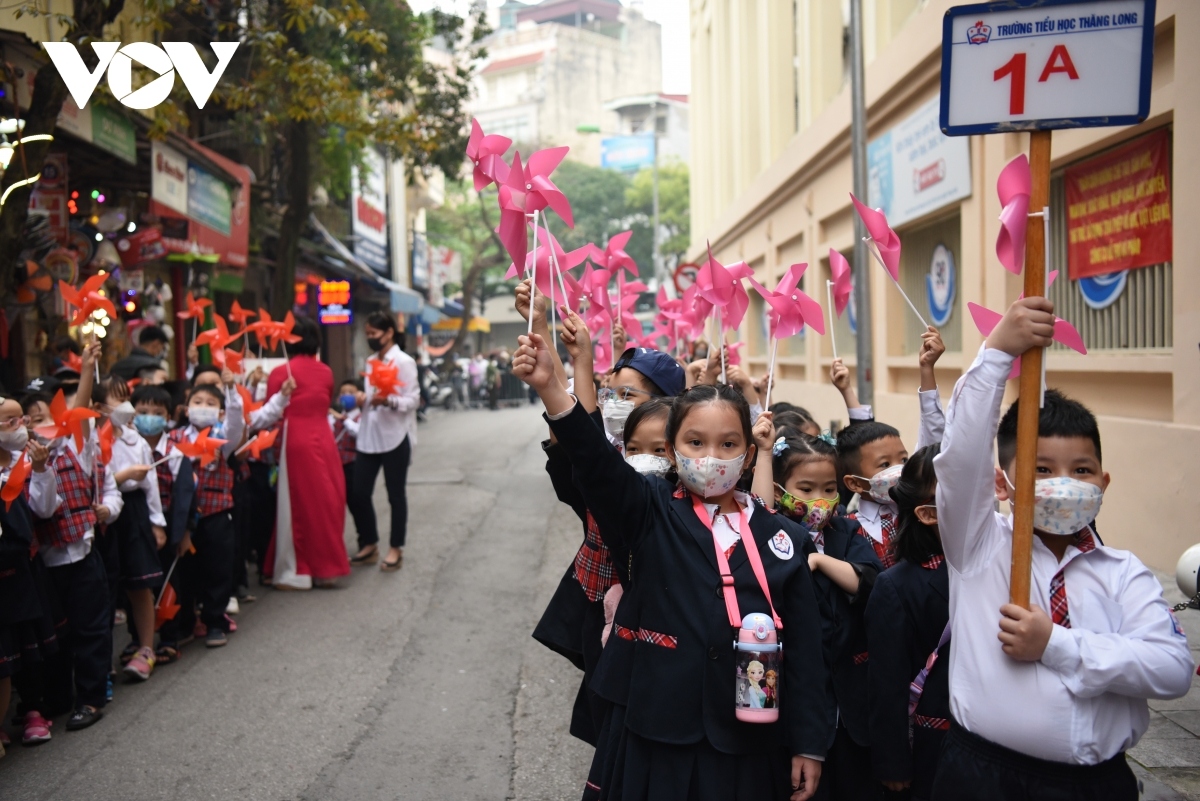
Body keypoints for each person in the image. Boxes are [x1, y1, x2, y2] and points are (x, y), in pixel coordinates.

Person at [515, 331, 832, 801]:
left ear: (748, 453)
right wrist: (551, 390)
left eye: (728, 445)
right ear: (673, 447)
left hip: (748, 743)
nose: (711, 457)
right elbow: (595, 463)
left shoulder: (783, 538)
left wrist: (810, 744)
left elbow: (806, 650)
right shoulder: (648, 510)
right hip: (657, 732)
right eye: (695, 441)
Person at [930, 297, 1193, 800]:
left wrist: (1055, 644)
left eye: (1081, 470)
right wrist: (996, 356)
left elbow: (1171, 669)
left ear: (1103, 481)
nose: (1064, 484)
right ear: (1002, 483)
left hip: (1094, 784)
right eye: (1042, 470)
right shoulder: (978, 546)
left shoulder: (1124, 573)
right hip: (984, 778)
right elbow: (959, 458)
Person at [754, 430, 882, 801]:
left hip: (851, 710)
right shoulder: (774, 537)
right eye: (806, 489)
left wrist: (823, 562)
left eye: (829, 489)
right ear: (780, 491)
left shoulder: (847, 530)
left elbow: (872, 582)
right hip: (795, 704)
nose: (820, 500)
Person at [21, 344, 124, 731]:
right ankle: (59, 699)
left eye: (42, 414)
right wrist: (39, 469)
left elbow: (80, 408)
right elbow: (41, 511)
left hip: (82, 557)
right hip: (45, 562)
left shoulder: (76, 447)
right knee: (57, 637)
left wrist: (88, 369)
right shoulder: (20, 463)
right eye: (27, 419)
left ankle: (92, 697)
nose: (35, 422)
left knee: (91, 630)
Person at [865, 445, 949, 801]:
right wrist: (893, 761)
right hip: (932, 744)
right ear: (927, 512)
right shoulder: (897, 584)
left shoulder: (999, 567)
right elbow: (887, 681)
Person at [263, 315, 350, 590]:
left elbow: (270, 410)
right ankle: (326, 565)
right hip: (323, 438)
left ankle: (297, 569)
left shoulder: (281, 373)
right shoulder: (326, 371)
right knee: (327, 499)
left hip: (295, 439)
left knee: (296, 504)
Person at [92, 377, 167, 682]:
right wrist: (121, 476)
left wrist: (157, 523)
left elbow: (151, 486)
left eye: (127, 398)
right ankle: (103, 659)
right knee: (105, 590)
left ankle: (146, 647)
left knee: (140, 585)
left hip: (134, 512)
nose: (125, 405)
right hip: (107, 516)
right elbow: (98, 483)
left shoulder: (135, 439)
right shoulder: (93, 441)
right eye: (117, 399)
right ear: (98, 407)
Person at [0, 397, 60, 748]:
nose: (19, 425)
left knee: (29, 640)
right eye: (8, 422)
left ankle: (34, 708)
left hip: (26, 566)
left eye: (20, 418)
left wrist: (40, 470)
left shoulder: (29, 460)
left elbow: (45, 508)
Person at [167, 376, 244, 648]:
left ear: (220, 412)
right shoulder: (173, 439)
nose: (203, 406)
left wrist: (232, 390)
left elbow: (237, 422)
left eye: (211, 403)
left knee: (218, 568)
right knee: (187, 570)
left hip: (217, 513)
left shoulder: (223, 437)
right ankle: (187, 621)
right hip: (185, 516)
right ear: (186, 409)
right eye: (197, 402)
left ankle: (214, 621)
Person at [348, 312, 420, 572]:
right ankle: (370, 543)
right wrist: (361, 398)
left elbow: (412, 401)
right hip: (369, 435)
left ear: (389, 333)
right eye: (367, 334)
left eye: (373, 334)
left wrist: (388, 400)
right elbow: (370, 395)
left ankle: (395, 548)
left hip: (395, 436)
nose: (370, 339)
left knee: (395, 495)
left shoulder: (404, 362)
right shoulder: (369, 361)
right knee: (358, 493)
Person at [131, 383, 196, 665]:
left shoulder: (175, 452)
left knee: (170, 580)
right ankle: (138, 640)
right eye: (142, 411)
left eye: (156, 412)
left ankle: (170, 637)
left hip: (169, 525)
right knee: (137, 584)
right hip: (136, 524)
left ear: (168, 415)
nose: (149, 417)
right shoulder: (126, 448)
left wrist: (184, 532)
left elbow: (186, 497)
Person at [331, 379, 370, 542]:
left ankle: (366, 540)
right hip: (335, 466)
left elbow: (358, 433)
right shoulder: (332, 417)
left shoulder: (362, 417)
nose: (346, 395)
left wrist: (343, 419)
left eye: (350, 392)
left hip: (353, 465)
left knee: (357, 505)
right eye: (343, 393)